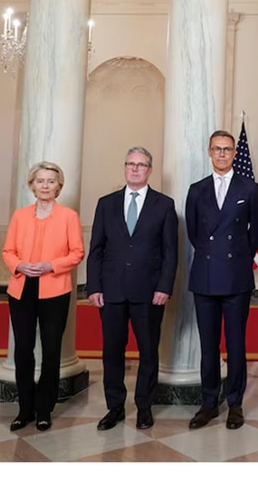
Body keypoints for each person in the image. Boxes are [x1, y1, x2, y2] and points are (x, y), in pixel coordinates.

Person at [87, 147, 178, 431]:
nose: (135, 169)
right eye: (130, 164)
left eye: (141, 165)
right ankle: (114, 407)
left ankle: (144, 406)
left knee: (148, 351)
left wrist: (164, 286)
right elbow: (96, 249)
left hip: (149, 292)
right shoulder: (106, 203)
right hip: (111, 290)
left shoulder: (164, 204)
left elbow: (170, 251)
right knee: (112, 351)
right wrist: (93, 286)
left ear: (150, 170)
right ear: (125, 168)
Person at [185, 130, 258, 430]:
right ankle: (208, 403)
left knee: (236, 344)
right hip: (205, 276)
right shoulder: (197, 190)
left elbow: (256, 231)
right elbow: (194, 233)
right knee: (208, 346)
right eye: (217, 149)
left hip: (236, 277)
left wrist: (237, 257)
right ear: (209, 152)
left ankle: (235, 403)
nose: (222, 154)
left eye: (227, 149)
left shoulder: (249, 188)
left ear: (234, 153)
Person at [2, 162, 84, 432]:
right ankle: (25, 409)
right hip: (21, 288)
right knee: (23, 350)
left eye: (50, 181)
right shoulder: (20, 216)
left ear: (59, 186)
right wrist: (19, 265)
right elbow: (7, 251)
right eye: (40, 181)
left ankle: (44, 410)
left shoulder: (68, 216)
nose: (45, 186)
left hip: (55, 290)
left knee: (51, 351)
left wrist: (51, 265)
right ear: (32, 185)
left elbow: (77, 252)